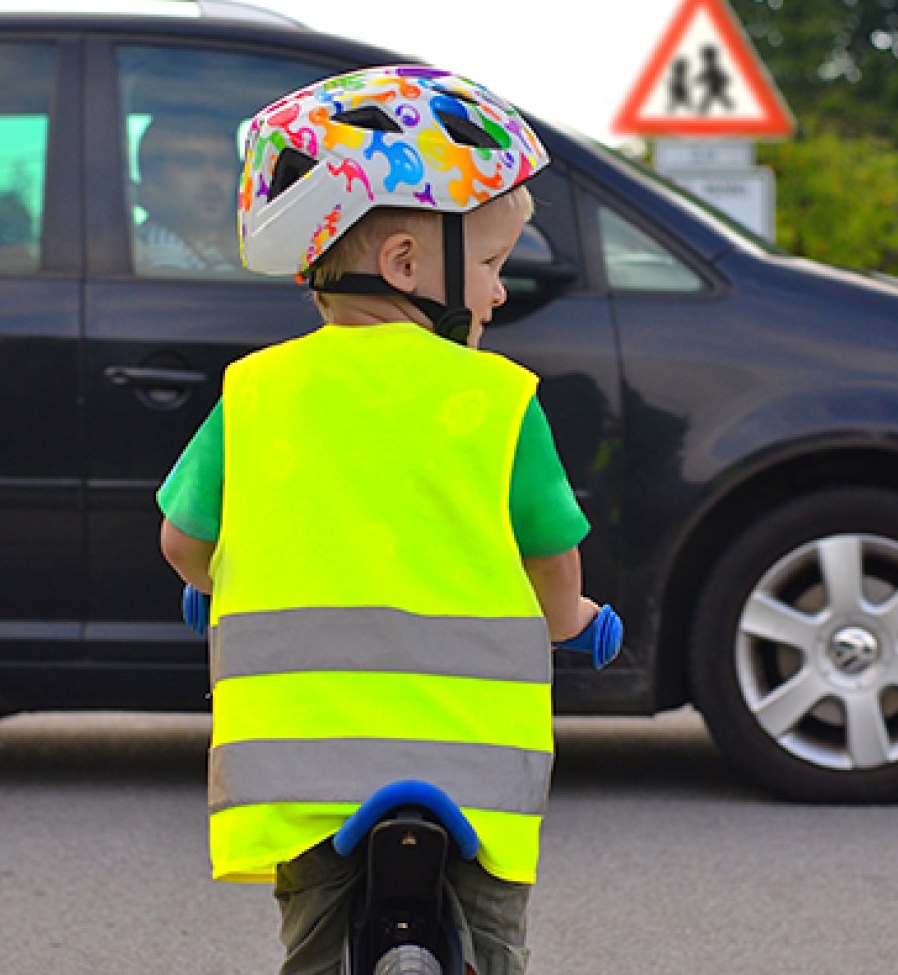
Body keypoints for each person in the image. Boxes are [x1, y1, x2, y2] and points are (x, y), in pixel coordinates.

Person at [156, 66, 602, 975]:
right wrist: (572, 624)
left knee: (317, 949)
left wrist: (219, 585)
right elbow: (552, 552)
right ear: (406, 264)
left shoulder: (253, 394)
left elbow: (183, 543)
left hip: (299, 771)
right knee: (490, 942)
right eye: (487, 264)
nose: (499, 291)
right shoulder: (498, 400)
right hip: (473, 768)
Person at [131, 115, 243, 274]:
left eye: (224, 165)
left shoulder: (232, 249)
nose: (212, 180)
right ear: (152, 178)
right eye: (191, 163)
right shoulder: (147, 255)